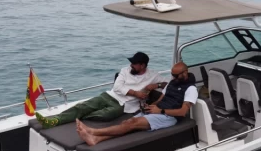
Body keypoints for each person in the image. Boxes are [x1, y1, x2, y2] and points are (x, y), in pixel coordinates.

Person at [76, 62, 198, 146]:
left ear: (185, 72)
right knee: (126, 124)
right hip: (158, 111)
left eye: (177, 76)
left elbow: (183, 112)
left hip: (169, 117)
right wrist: (150, 107)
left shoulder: (191, 89)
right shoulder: (172, 83)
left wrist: (160, 111)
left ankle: (93, 132)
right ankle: (96, 139)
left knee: (131, 123)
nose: (174, 78)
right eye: (173, 75)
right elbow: (161, 99)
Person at [35, 52, 165, 128]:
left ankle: (77, 116)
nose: (131, 65)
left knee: (105, 115)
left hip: (125, 105)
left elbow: (167, 83)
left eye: (134, 63)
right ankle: (54, 120)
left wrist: (156, 86)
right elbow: (117, 87)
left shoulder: (153, 75)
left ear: (142, 65)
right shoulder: (125, 71)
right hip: (110, 96)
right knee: (83, 106)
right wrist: (136, 93)